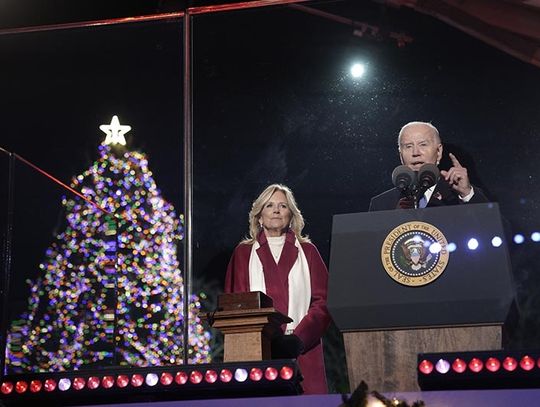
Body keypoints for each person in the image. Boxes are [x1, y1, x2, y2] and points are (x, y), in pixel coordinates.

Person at [224, 184, 331, 394]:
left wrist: (298, 339)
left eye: (283, 205)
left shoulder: (308, 251)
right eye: (269, 205)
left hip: (302, 349)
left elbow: (324, 303)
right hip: (257, 350)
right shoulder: (243, 253)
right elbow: (234, 306)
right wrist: (263, 338)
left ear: (291, 215)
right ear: (259, 216)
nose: (276, 210)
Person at [369, 121, 488, 211]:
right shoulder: (381, 204)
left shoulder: (460, 195)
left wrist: (466, 193)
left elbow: (500, 232)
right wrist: (392, 220)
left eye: (423, 144)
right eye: (408, 146)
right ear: (401, 156)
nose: (416, 153)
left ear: (439, 151)